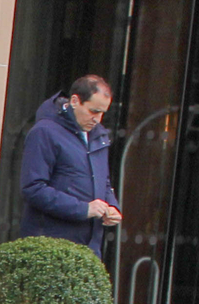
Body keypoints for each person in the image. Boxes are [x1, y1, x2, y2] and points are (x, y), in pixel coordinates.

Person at [17, 74, 123, 249]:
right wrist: (83, 209)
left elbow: (102, 181)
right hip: (51, 243)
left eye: (103, 113)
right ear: (75, 101)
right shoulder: (45, 132)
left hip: (90, 245)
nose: (97, 119)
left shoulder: (99, 135)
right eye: (93, 111)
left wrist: (112, 206)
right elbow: (33, 188)